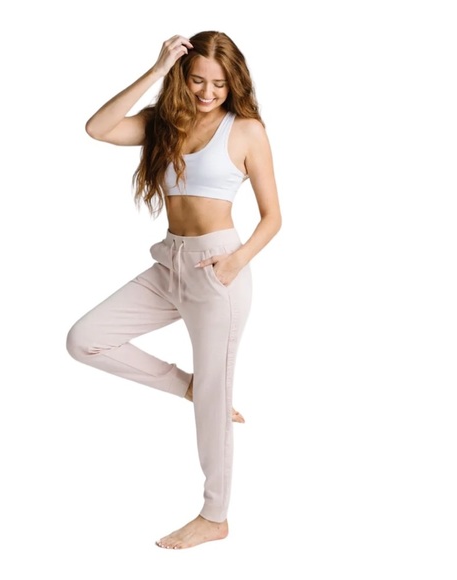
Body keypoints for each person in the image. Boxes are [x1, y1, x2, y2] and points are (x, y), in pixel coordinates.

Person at [66, 31, 281, 549]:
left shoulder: (245, 130)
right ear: (183, 77)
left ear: (234, 83)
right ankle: (188, 385)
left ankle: (214, 516)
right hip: (170, 263)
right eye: (198, 80)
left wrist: (236, 262)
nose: (208, 92)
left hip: (217, 266)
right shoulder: (165, 122)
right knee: (84, 339)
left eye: (219, 84)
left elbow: (274, 217)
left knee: (214, 401)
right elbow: (98, 128)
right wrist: (157, 68)